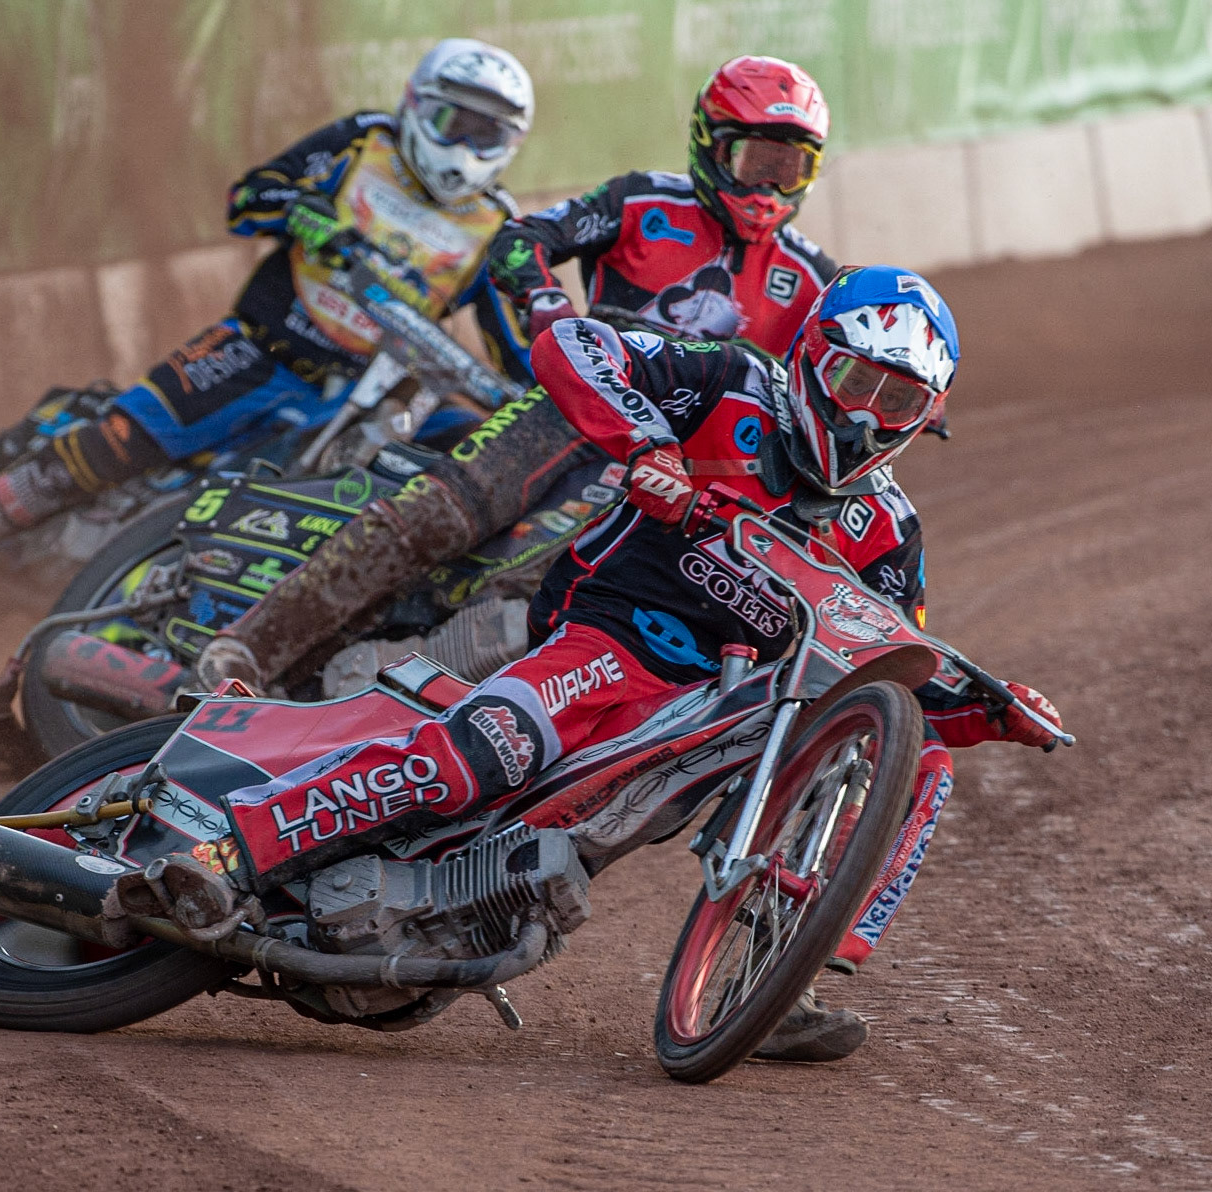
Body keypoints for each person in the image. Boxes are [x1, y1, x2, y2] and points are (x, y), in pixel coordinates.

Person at [147, 266, 1064, 1062]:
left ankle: (786, 976)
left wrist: (990, 712)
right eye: (856, 380)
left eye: (897, 401)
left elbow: (892, 668)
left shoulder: (890, 529)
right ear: (813, 356)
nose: (867, 415)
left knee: (909, 763)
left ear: (925, 418)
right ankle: (227, 851)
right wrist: (647, 445)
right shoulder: (735, 381)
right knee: (491, 749)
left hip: (727, 707)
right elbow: (578, 343)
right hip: (613, 633)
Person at [196, 55, 840, 694]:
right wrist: (546, 303)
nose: (766, 189)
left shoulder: (814, 279)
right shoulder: (643, 199)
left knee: (563, 594)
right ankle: (246, 651)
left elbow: (830, 375)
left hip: (673, 463)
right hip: (574, 401)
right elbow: (520, 238)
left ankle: (418, 702)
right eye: (754, 162)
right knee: (435, 516)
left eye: (790, 170)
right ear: (710, 146)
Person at [0, 39, 536, 570]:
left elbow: (513, 350)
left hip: (367, 404)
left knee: (433, 475)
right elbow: (250, 197)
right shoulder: (365, 142)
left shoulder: (496, 227)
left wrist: (554, 395)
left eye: (489, 133)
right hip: (260, 351)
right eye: (456, 122)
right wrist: (305, 215)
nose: (466, 147)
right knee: (127, 436)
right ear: (419, 105)